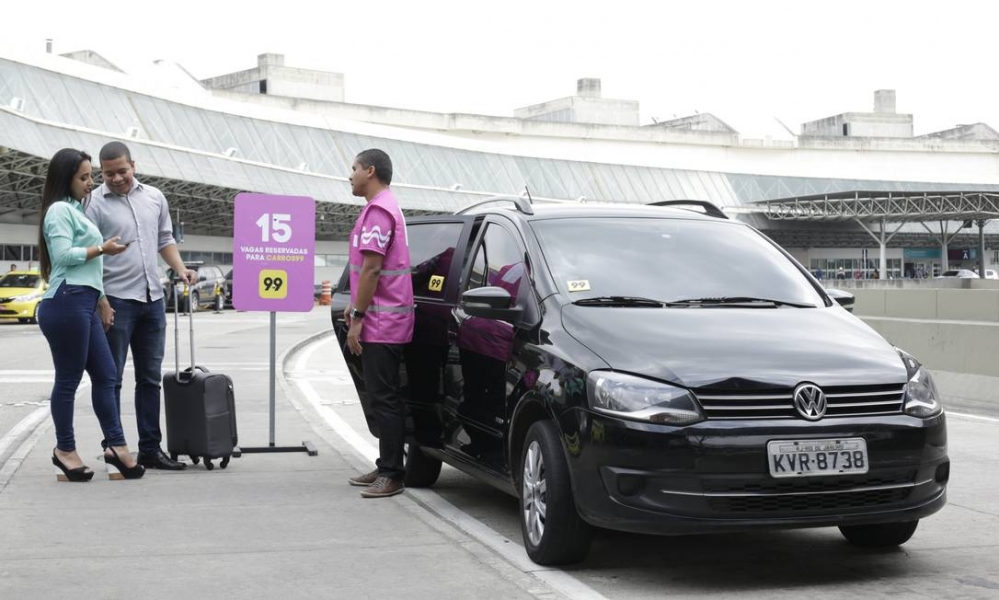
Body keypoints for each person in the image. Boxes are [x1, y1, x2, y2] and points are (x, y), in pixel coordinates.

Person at [36, 148, 144, 481]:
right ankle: (64, 450)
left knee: (107, 375)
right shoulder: (58, 211)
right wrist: (103, 248)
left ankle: (116, 445)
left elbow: (89, 273)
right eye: (83, 177)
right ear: (65, 178)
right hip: (66, 301)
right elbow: (63, 256)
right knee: (68, 381)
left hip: (83, 300)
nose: (90, 183)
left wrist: (101, 301)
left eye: (90, 176)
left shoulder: (74, 210)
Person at [85, 142, 195, 470]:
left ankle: (150, 448)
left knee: (150, 379)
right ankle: (114, 449)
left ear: (134, 164)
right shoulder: (93, 203)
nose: (116, 178)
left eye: (122, 170)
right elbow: (88, 253)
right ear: (99, 172)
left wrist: (179, 268)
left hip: (153, 299)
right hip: (116, 300)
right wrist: (101, 300)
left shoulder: (155, 197)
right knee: (111, 378)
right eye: (108, 173)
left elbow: (164, 239)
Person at [343, 149, 414, 498]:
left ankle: (392, 473)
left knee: (384, 398)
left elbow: (372, 268)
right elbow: (365, 271)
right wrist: (355, 306)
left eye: (354, 168)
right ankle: (385, 463)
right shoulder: (378, 208)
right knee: (380, 395)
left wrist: (358, 317)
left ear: (370, 171)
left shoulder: (380, 211)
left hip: (384, 323)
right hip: (379, 318)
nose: (350, 175)